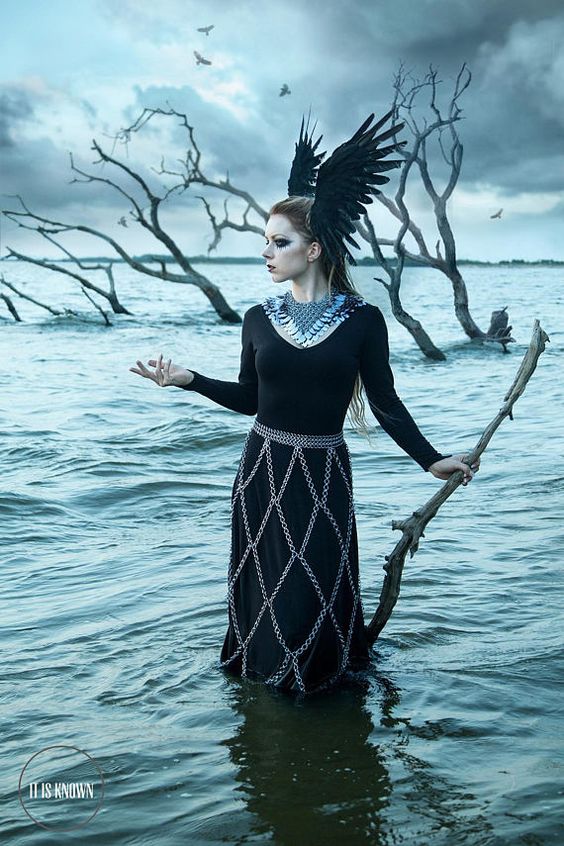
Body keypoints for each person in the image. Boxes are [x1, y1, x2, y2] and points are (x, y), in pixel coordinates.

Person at [130, 113, 479, 696]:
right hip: (262, 472)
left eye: (279, 242)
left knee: (315, 588)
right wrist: (188, 380)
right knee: (268, 592)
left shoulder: (364, 321)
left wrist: (431, 459)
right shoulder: (257, 320)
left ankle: (324, 683)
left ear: (314, 248)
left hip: (323, 475)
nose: (267, 253)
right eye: (264, 242)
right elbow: (250, 401)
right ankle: (264, 696)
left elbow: (386, 403)